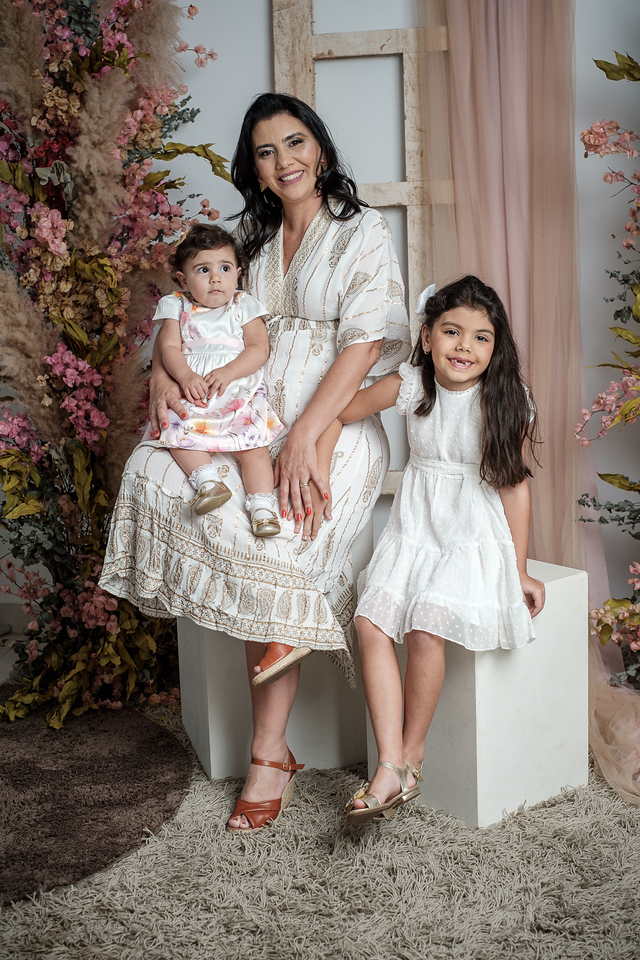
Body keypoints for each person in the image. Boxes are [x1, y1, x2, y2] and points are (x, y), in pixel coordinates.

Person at [99, 92, 411, 832]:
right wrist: (161, 375)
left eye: (295, 142)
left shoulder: (362, 230)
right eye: (266, 152)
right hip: (243, 413)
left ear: (320, 148)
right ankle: (281, 640)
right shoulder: (251, 237)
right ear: (255, 169)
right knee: (155, 472)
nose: (284, 161)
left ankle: (269, 752)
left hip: (334, 418)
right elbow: (191, 315)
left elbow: (366, 344)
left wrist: (307, 434)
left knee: (285, 533)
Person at [330, 275, 545, 824]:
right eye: (451, 332)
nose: (464, 347)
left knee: (427, 626)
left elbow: (514, 486)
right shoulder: (411, 385)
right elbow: (344, 409)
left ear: (495, 348)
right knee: (369, 623)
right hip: (416, 525)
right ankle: (391, 763)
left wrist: (519, 569)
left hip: (471, 530)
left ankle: (411, 753)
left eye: (480, 337)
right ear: (427, 338)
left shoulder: (505, 399)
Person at [143, 223, 284, 536]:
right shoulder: (176, 304)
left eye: (225, 268)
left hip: (237, 388)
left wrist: (230, 371)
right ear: (183, 279)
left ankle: (263, 509)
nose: (216, 278)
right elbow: (169, 347)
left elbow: (259, 348)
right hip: (194, 387)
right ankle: (208, 481)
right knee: (175, 430)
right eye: (203, 270)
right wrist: (184, 375)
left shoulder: (243, 304)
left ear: (238, 273)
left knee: (254, 446)